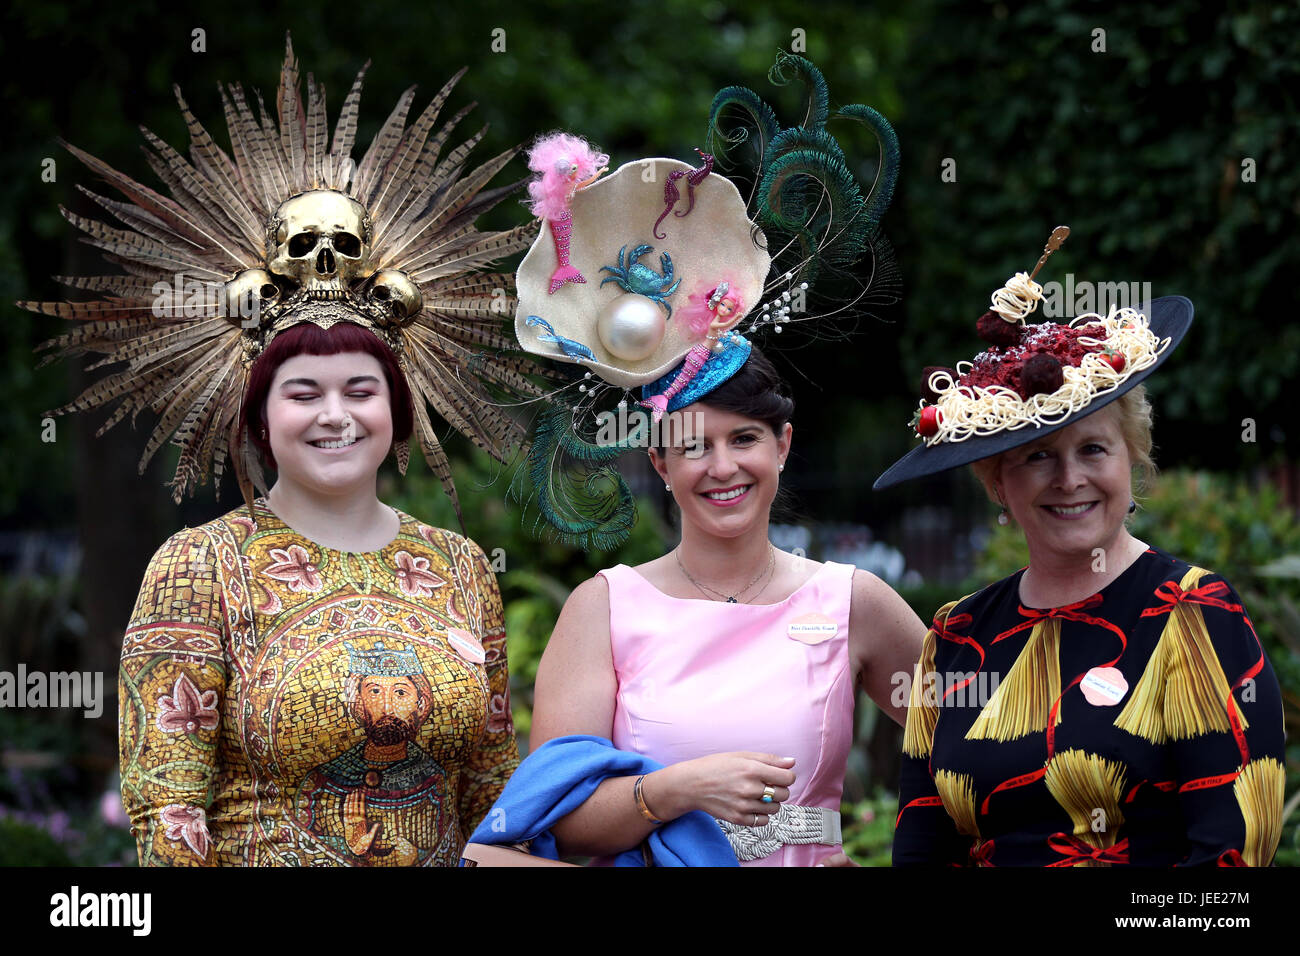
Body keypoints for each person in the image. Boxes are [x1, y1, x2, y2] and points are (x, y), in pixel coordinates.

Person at [23, 39, 543, 865]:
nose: (335, 415)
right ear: (261, 418)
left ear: (398, 412)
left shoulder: (461, 567)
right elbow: (170, 820)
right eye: (303, 393)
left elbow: (490, 795)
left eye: (361, 391)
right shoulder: (199, 568)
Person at [875, 238, 1286, 866]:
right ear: (998, 485)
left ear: (1132, 459)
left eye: (1093, 450)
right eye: (1036, 456)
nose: (1069, 479)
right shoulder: (956, 635)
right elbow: (922, 843)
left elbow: (1232, 860)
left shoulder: (1194, 614)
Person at [526, 345, 926, 866]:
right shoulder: (603, 608)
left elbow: (982, 748)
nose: (723, 466)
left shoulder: (852, 600)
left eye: (744, 439)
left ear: (782, 445)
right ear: (660, 463)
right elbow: (558, 821)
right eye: (694, 446)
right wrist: (678, 789)